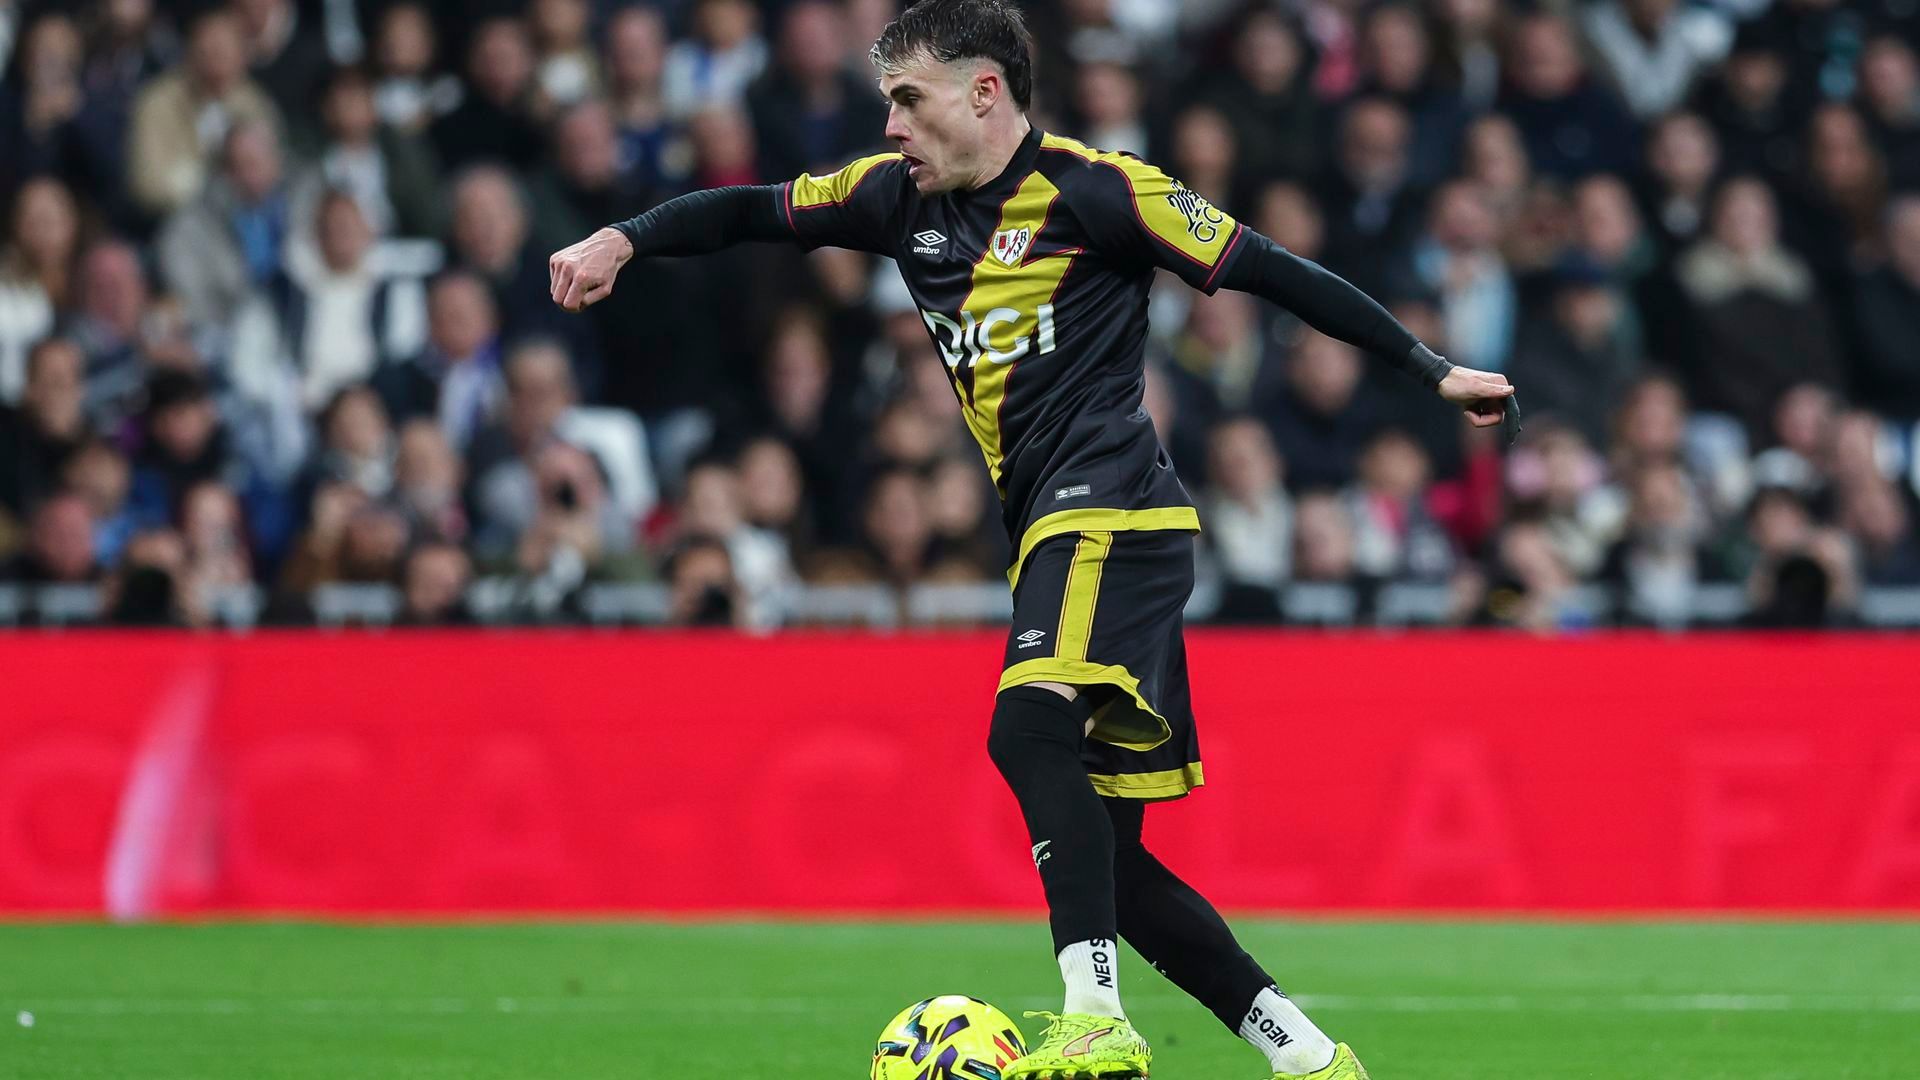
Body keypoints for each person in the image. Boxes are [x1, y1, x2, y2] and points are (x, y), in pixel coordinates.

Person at [546, 4, 1520, 1078]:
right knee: (1114, 863)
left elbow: (1275, 271)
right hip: (1055, 527)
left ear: (984, 92)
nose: (891, 125)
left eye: (907, 100)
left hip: (1117, 507)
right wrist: (622, 238)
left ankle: (1095, 1020)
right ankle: (1310, 1058)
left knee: (1024, 729)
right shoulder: (890, 202)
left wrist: (1436, 370)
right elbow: (749, 212)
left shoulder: (1102, 190)